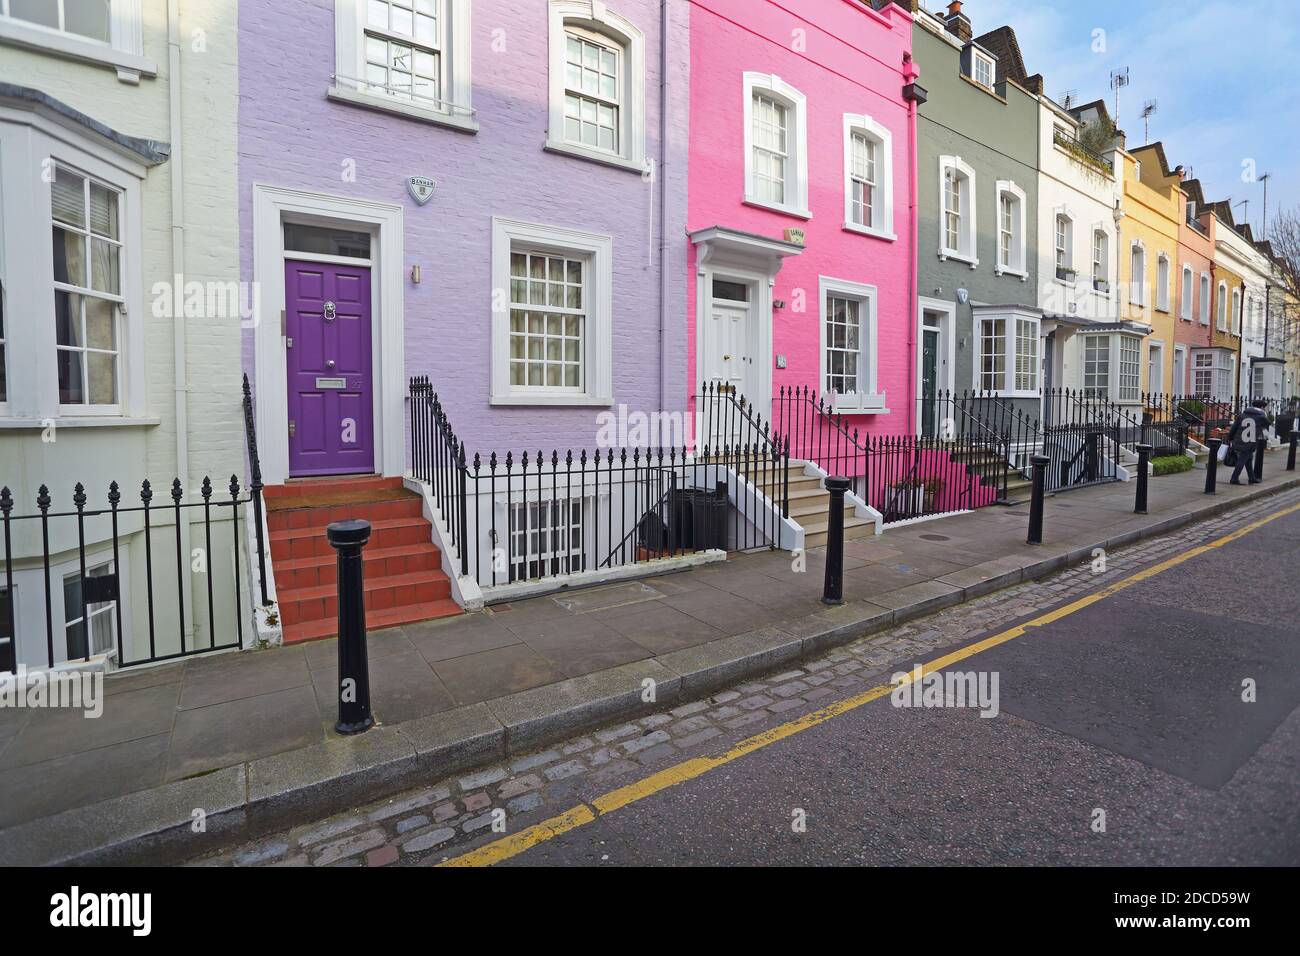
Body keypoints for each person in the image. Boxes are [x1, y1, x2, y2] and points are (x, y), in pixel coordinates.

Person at [1227, 399, 1269, 485]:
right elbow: (1267, 425)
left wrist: (1230, 438)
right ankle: (1234, 478)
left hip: (1239, 440)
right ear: (1261, 407)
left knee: (1248, 459)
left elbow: (1234, 427)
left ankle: (1251, 478)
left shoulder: (1243, 415)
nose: (1265, 409)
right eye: (1264, 408)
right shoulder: (1261, 416)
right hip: (1250, 441)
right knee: (1242, 460)